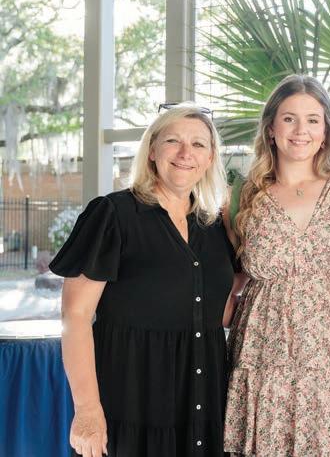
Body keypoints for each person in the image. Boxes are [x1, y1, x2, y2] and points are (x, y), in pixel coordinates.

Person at [49, 104, 234, 457]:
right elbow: (74, 316)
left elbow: (221, 311)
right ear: (152, 150)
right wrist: (87, 410)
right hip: (131, 401)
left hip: (203, 404)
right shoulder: (113, 214)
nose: (185, 153)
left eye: (198, 144)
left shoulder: (213, 225)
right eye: (173, 141)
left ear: (210, 158)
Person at [222, 74, 330, 456]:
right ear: (271, 128)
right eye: (289, 118)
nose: (300, 130)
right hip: (264, 355)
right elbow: (229, 279)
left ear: (325, 131)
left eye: (312, 120)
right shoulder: (242, 195)